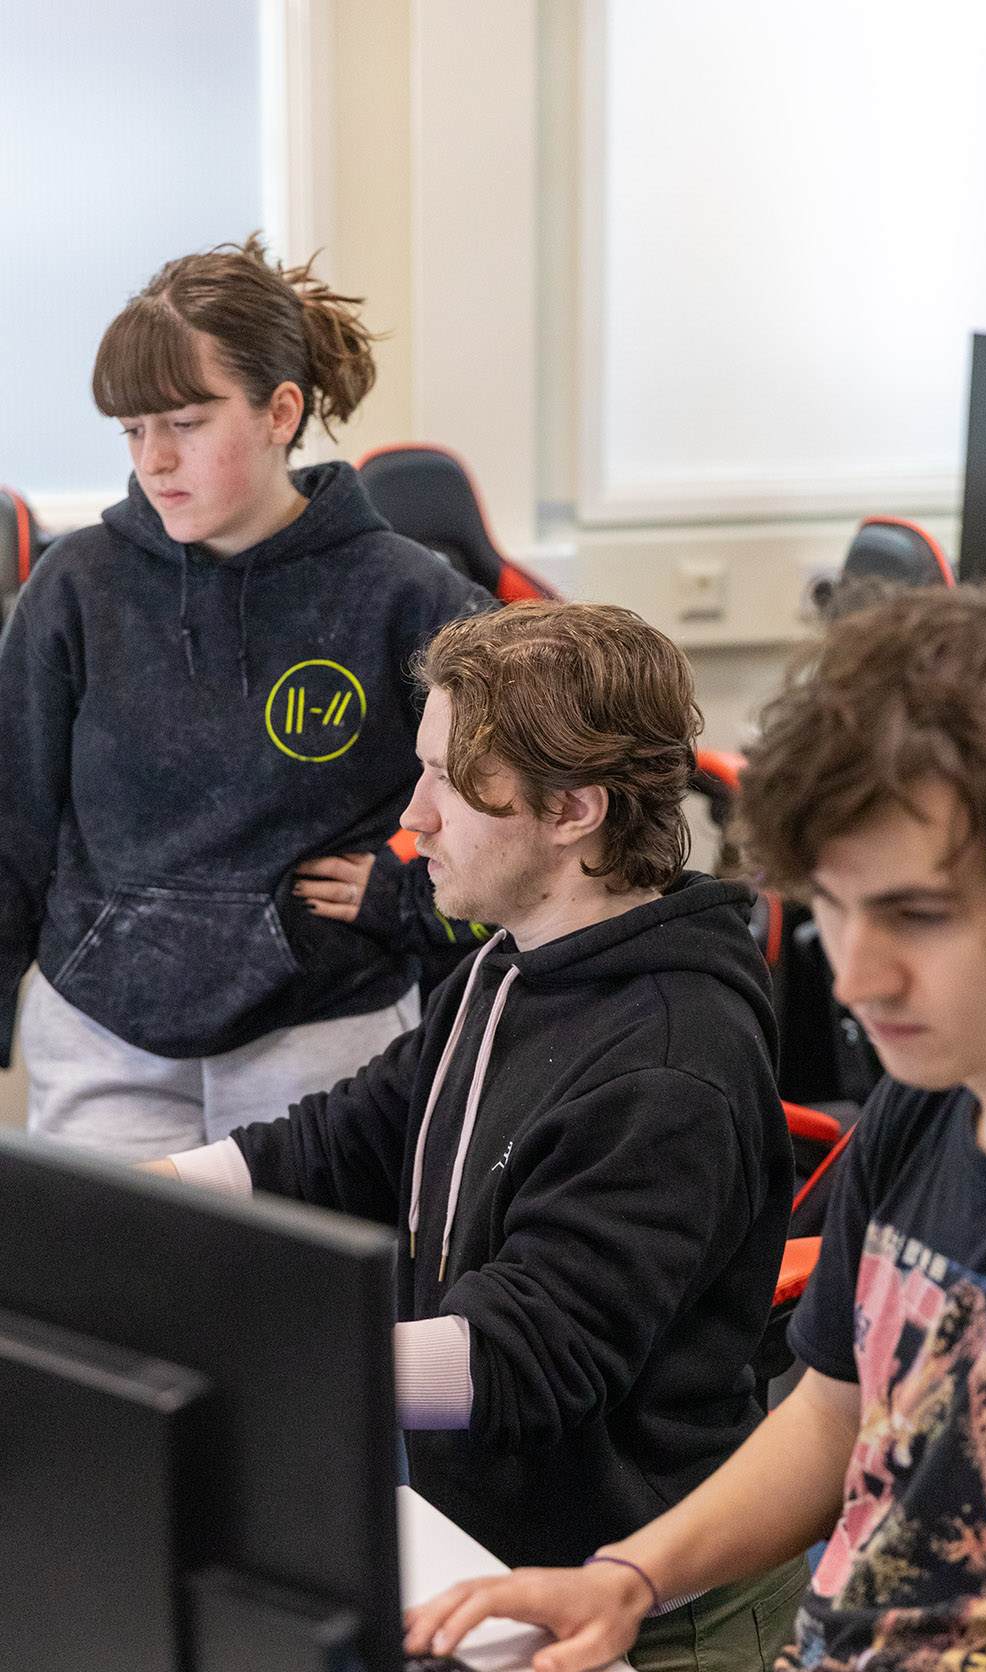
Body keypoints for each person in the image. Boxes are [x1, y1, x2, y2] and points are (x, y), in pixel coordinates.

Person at [404, 578, 986, 1672]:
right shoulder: (924, 1105)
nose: (861, 978)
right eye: (832, 908)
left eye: (917, 915)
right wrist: (629, 1576)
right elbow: (835, 1416)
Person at [144, 599, 809, 1672]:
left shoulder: (669, 1067)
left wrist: (252, 1358)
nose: (414, 816)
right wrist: (127, 1202)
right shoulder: (510, 960)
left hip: (648, 1609)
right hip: (497, 1547)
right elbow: (344, 1141)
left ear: (573, 810)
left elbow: (520, 1355)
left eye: (451, 781)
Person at [0, 235, 491, 1161]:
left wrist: (413, 901)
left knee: (308, 1303)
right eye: (133, 431)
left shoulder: (409, 597)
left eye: (185, 422)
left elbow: (520, 801)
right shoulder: (74, 586)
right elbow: (11, 819)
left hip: (324, 1029)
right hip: (104, 1026)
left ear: (280, 411)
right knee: (113, 1298)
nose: (154, 460)